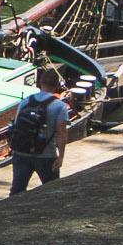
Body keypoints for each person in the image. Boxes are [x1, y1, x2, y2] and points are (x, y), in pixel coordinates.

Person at [8, 65, 73, 195]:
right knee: (52, 190)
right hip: (46, 155)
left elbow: (16, 125)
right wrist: (61, 157)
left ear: (40, 83)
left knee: (17, 190)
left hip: (21, 152)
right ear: (57, 86)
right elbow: (61, 132)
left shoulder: (25, 101)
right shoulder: (59, 106)